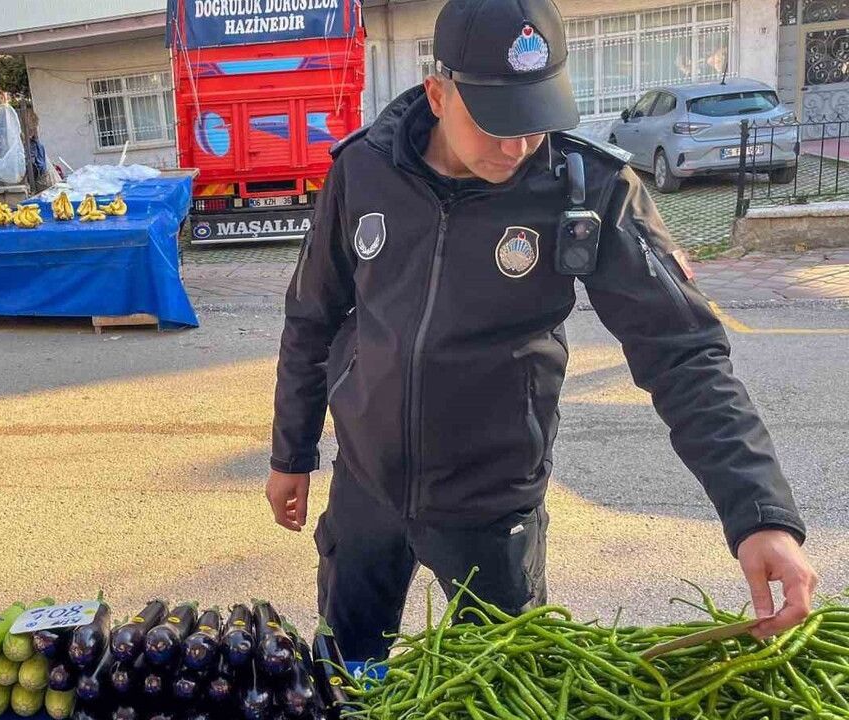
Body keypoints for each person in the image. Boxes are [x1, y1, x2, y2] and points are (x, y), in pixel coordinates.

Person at [266, 0, 817, 662]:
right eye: (497, 121)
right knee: (349, 671)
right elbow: (311, 318)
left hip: (493, 510)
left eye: (535, 120)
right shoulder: (362, 171)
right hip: (364, 489)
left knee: (496, 684)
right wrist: (291, 454)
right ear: (438, 95)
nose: (518, 145)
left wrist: (760, 515)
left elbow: (685, 356)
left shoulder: (588, 188)